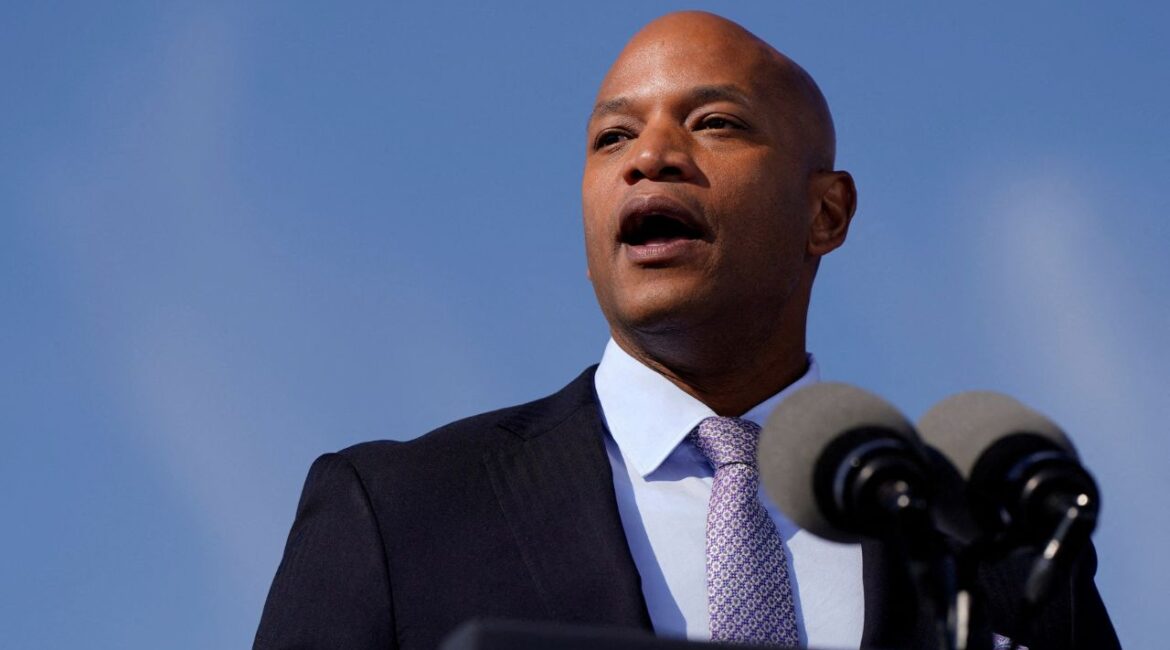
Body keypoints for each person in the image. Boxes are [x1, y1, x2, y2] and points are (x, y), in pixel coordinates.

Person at [255, 11, 1118, 650]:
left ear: (825, 213)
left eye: (714, 123)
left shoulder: (991, 535)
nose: (649, 156)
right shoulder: (400, 512)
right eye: (612, 137)